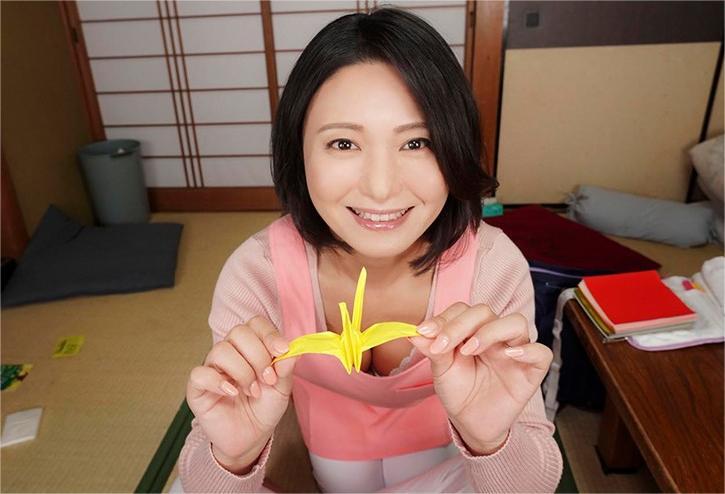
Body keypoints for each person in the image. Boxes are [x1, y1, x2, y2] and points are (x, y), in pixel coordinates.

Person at [177, 6, 563, 493]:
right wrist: (232, 456)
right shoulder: (258, 273)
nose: (381, 188)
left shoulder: (492, 267)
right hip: (330, 459)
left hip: (454, 466)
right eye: (343, 144)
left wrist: (491, 439)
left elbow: (533, 484)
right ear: (299, 151)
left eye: (417, 143)